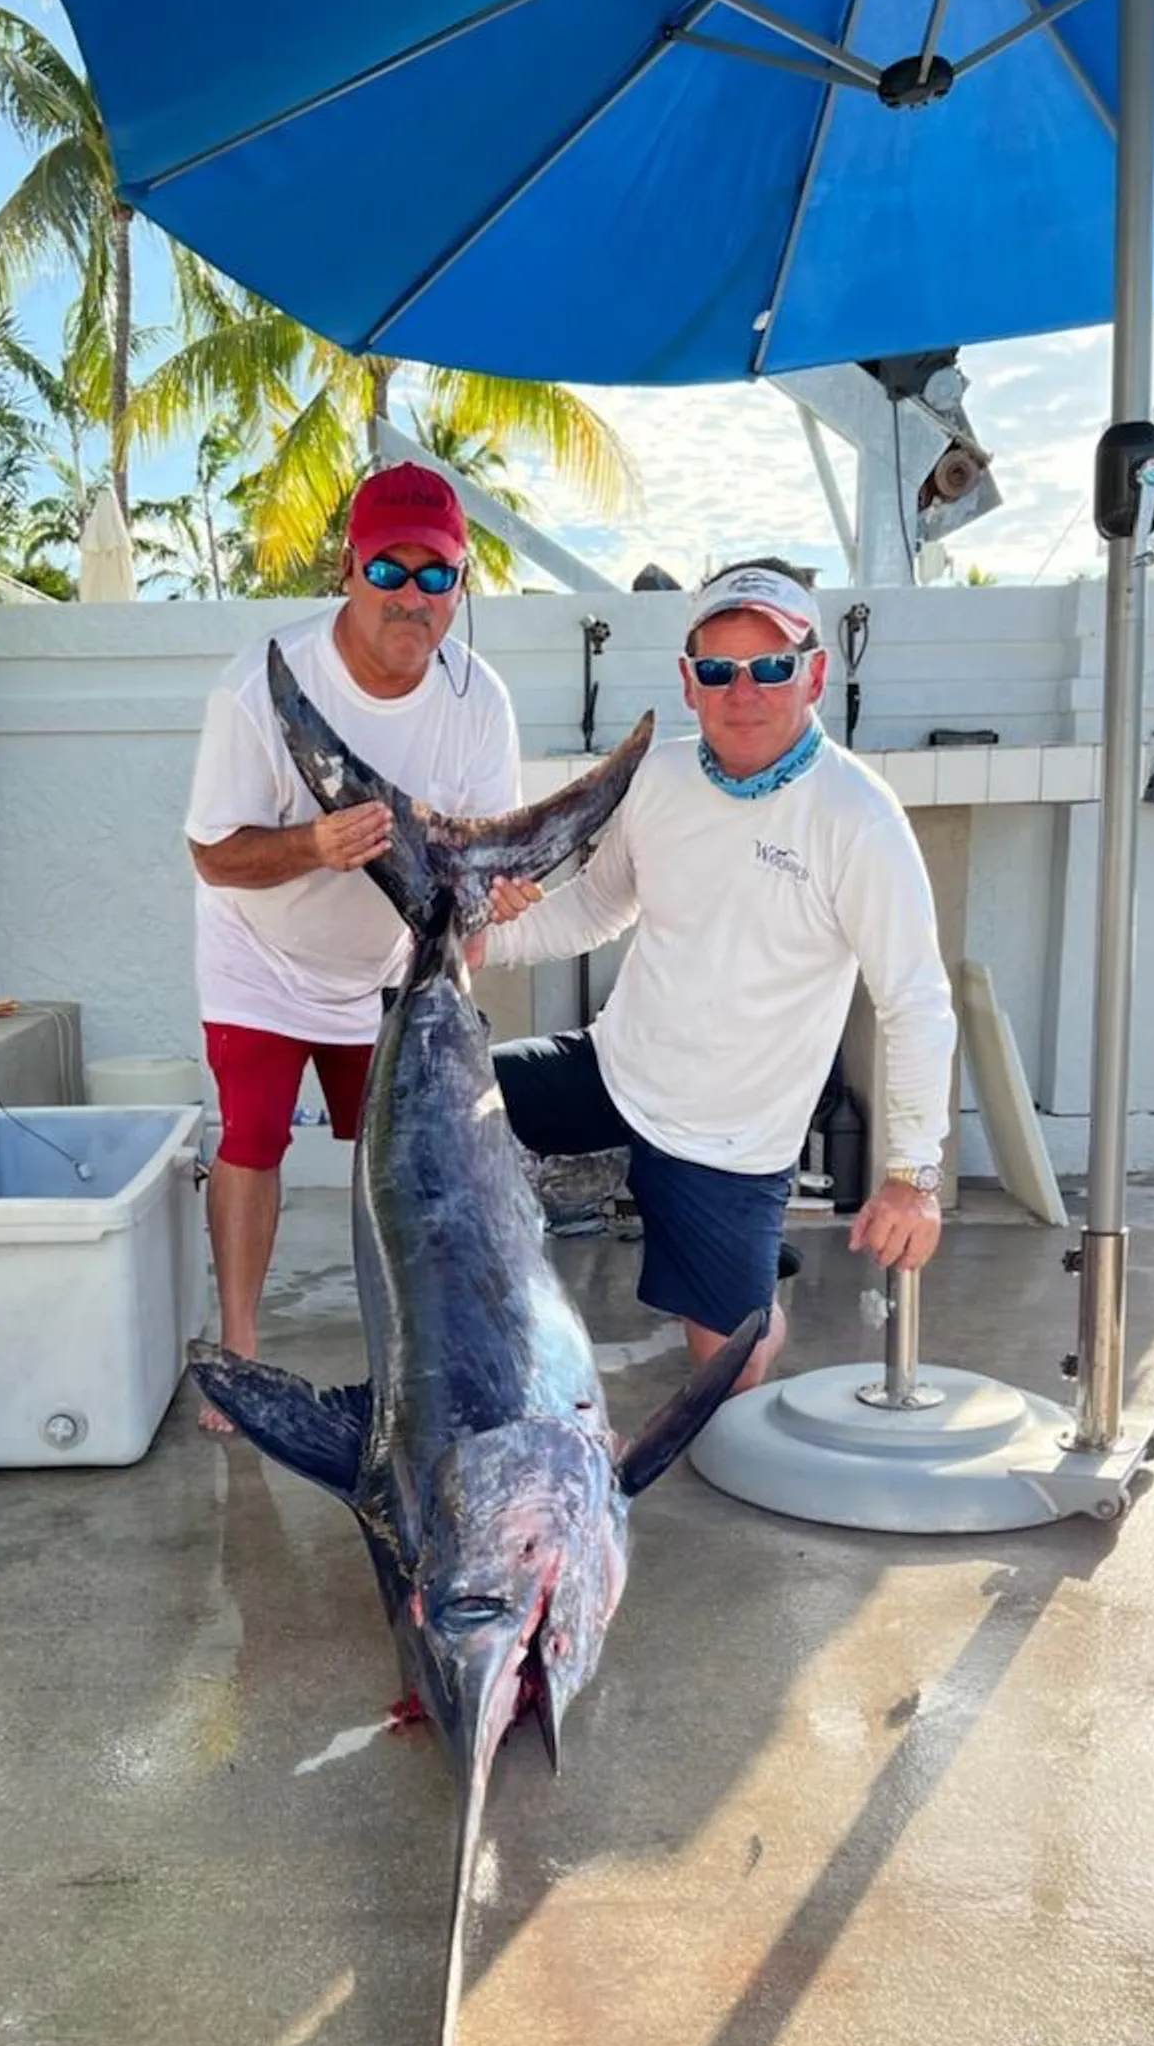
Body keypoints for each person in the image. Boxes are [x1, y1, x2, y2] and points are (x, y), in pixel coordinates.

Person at [472, 557, 957, 1395]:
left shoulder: (859, 819)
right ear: (687, 683)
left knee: (730, 1381)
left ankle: (754, 1290)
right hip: (615, 1069)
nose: (746, 691)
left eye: (771, 667)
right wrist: (482, 940)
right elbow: (597, 906)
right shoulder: (656, 775)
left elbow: (915, 1000)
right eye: (719, 671)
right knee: (444, 1106)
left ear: (813, 674)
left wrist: (913, 1176)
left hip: (732, 1138)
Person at [183, 462, 523, 1429]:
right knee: (250, 1140)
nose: (410, 596)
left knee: (404, 1166)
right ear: (349, 568)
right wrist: (312, 846)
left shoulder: (479, 702)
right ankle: (241, 1345)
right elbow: (215, 856)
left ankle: (421, 1362)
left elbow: (476, 868)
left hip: (390, 970)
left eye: (435, 575)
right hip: (260, 950)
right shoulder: (260, 684)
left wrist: (491, 915)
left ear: (459, 588)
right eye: (389, 569)